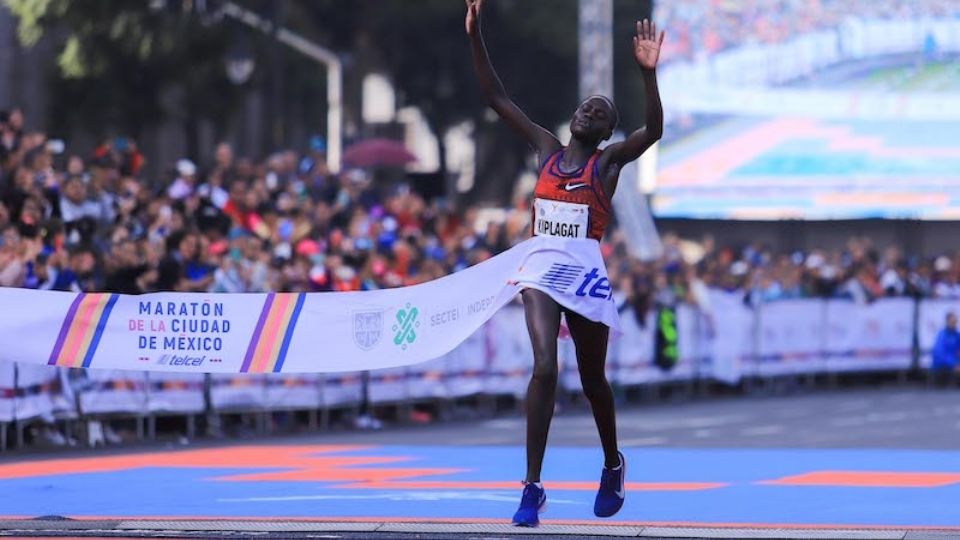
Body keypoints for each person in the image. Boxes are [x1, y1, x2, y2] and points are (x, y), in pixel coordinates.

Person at [465, 0, 664, 526]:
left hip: (584, 274)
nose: (590, 112)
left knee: (594, 380)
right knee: (545, 367)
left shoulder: (608, 164)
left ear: (604, 133)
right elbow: (496, 97)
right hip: (539, 268)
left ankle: (612, 462)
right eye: (587, 107)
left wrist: (649, 76)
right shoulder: (545, 148)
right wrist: (475, 33)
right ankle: (531, 487)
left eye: (601, 114)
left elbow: (654, 131)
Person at [931, 312, 960, 386]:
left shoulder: (957, 335)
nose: (954, 324)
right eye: (952, 322)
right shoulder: (942, 335)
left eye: (955, 322)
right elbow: (940, 354)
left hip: (954, 365)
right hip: (942, 366)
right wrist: (954, 364)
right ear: (947, 322)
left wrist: (958, 363)